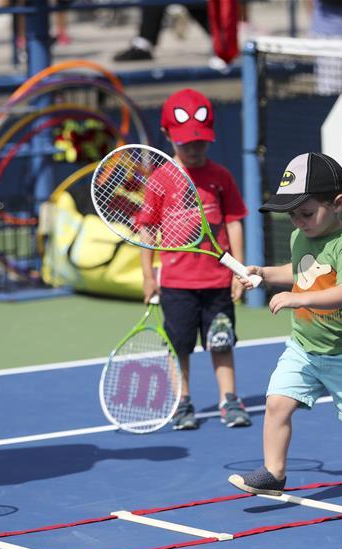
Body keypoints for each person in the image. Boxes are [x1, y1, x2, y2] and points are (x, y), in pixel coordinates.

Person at [227, 152, 342, 505]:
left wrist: (299, 300)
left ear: (338, 203)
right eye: (292, 214)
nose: (299, 222)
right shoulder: (301, 238)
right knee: (277, 404)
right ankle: (273, 473)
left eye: (307, 212)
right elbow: (300, 271)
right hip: (303, 347)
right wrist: (265, 273)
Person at [135, 88, 252, 431]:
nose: (194, 149)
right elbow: (146, 230)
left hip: (217, 282)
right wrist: (147, 275)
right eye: (185, 143)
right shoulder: (159, 181)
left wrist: (239, 269)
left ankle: (229, 400)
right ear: (167, 135)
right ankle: (182, 401)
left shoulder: (221, 178)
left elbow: (233, 221)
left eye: (200, 142)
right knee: (179, 345)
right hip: (176, 285)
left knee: (221, 341)